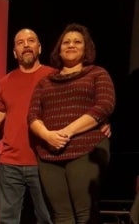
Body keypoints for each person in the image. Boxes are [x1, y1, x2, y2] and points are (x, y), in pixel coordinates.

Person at [27, 23, 116, 223]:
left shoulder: (97, 74)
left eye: (77, 42)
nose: (71, 45)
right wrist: (48, 135)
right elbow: (32, 116)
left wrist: (66, 132)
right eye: (66, 42)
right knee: (61, 215)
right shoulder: (45, 82)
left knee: (85, 212)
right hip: (49, 152)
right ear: (59, 49)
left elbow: (104, 106)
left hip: (86, 149)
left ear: (86, 48)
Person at [0, 28, 53, 224]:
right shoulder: (4, 82)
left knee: (47, 218)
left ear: (40, 47)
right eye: (20, 42)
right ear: (14, 52)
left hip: (44, 161)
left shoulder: (54, 77)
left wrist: (101, 123)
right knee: (7, 220)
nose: (26, 45)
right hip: (10, 164)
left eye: (31, 41)